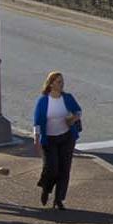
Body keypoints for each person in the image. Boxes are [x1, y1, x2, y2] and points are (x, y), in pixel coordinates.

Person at [32, 71, 83, 210]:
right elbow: (37, 122)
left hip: (66, 137)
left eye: (62, 81)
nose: (61, 84)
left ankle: (59, 199)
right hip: (50, 139)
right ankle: (46, 188)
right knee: (52, 168)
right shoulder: (43, 101)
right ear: (51, 83)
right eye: (58, 82)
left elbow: (78, 111)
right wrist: (36, 140)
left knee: (64, 169)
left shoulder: (67, 98)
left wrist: (74, 118)